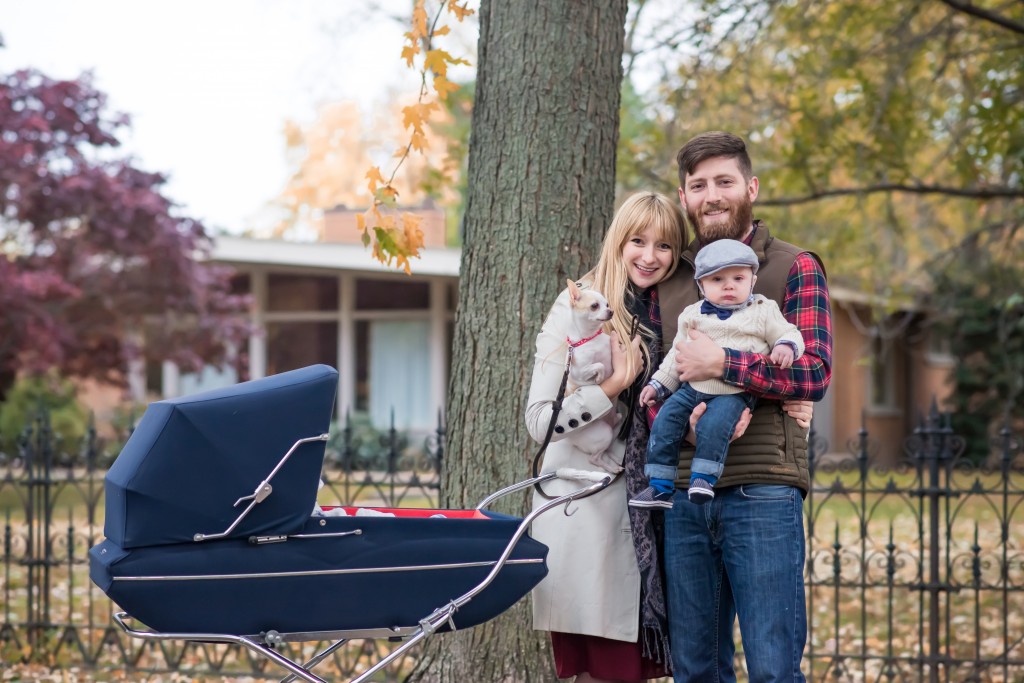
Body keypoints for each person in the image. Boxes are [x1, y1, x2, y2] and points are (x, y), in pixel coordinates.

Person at [657, 130, 833, 682]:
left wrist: (725, 367)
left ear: (750, 187)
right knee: (696, 668)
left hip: (763, 487)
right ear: (684, 198)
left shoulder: (793, 266)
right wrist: (678, 420)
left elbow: (815, 371)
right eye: (698, 185)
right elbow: (648, 378)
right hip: (685, 494)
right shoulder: (668, 278)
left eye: (724, 181)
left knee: (773, 667)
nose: (712, 195)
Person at [525, 191, 686, 682]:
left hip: (662, 511)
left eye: (664, 246)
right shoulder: (578, 306)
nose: (649, 256)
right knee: (604, 671)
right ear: (618, 242)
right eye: (638, 241)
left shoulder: (682, 307)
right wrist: (613, 387)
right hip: (590, 512)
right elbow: (540, 421)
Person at [629, 238, 804, 510]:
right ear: (701, 285)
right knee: (666, 419)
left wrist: (785, 346)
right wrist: (659, 385)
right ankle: (660, 485)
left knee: (714, 425)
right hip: (691, 389)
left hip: (732, 392)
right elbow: (677, 355)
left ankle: (703, 478)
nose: (729, 285)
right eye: (717, 279)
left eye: (738, 278)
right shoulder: (692, 315)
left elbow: (789, 332)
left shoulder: (762, 310)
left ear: (752, 280)